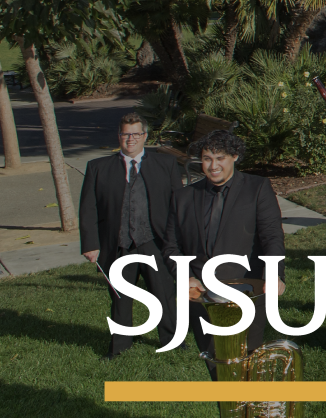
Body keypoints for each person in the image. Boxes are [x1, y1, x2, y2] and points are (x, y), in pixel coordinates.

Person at [164, 130, 285, 379]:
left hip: (247, 293)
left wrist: (274, 275)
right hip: (202, 297)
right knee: (217, 368)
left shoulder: (257, 188)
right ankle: (228, 415)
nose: (213, 165)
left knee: (247, 365)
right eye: (207, 159)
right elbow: (171, 247)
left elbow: (272, 237)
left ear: (235, 157)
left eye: (220, 158)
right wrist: (185, 277)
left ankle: (249, 415)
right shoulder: (183, 197)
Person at [80, 113, 183, 357]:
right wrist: (91, 244)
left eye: (136, 134)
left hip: (154, 242)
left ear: (145, 136)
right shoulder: (98, 168)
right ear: (119, 136)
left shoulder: (165, 165)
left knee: (163, 293)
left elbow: (179, 205)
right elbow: (88, 208)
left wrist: (178, 241)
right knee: (120, 297)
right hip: (118, 244)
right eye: (126, 134)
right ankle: (119, 347)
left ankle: (172, 341)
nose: (130, 139)